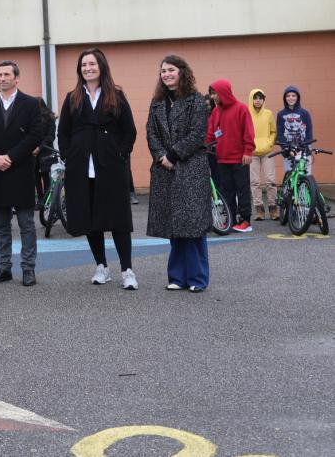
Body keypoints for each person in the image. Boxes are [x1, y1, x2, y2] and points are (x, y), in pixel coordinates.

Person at [58, 48, 138, 290]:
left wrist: (119, 153)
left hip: (110, 167)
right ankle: (101, 266)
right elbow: (63, 132)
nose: (88, 68)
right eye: (83, 65)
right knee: (90, 220)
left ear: (101, 66)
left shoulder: (116, 95)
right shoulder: (73, 97)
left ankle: (127, 270)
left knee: (118, 220)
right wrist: (69, 156)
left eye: (92, 64)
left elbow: (129, 131)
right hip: (82, 168)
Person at [146, 55, 212, 293]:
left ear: (182, 72)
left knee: (193, 227)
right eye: (163, 71)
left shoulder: (196, 101)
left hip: (190, 170)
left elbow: (197, 134)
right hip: (165, 171)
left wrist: (173, 155)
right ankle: (177, 277)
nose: (166, 74)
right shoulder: (157, 103)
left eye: (171, 70)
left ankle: (197, 278)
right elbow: (150, 133)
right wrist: (162, 156)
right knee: (175, 227)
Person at [0, 60, 42, 287]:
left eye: (6, 74)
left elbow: (35, 135)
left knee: (26, 224)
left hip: (21, 170)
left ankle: (28, 269)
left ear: (17, 78)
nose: (2, 78)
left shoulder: (31, 104)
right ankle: (4, 268)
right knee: (1, 226)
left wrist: (11, 157)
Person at [205, 80, 255, 233]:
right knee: (227, 190)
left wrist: (248, 151)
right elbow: (210, 133)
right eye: (212, 93)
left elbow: (248, 132)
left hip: (240, 158)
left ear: (223, 93)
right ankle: (231, 218)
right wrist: (204, 146)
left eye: (215, 93)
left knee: (242, 189)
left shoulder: (241, 109)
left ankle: (245, 220)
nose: (213, 97)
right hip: (222, 158)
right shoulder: (216, 112)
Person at [248, 88, 278, 221]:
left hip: (267, 152)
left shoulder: (268, 113)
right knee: (254, 182)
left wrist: (270, 143)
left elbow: (273, 131)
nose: (258, 100)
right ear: (251, 99)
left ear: (263, 100)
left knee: (270, 181)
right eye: (255, 97)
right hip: (252, 153)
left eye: (260, 98)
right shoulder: (247, 113)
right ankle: (259, 210)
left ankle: (273, 209)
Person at [276, 86, 314, 174]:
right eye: (288, 96)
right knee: (290, 175)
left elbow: (309, 131)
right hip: (288, 149)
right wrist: (286, 148)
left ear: (298, 97)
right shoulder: (281, 114)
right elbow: (280, 133)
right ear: (285, 98)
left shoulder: (305, 113)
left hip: (304, 148)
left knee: (305, 175)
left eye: (293, 95)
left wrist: (307, 146)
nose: (291, 98)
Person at [33, 97, 57, 209]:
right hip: (36, 152)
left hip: (45, 152)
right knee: (38, 176)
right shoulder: (34, 118)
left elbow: (50, 136)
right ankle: (42, 200)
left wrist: (39, 147)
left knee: (44, 176)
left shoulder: (49, 118)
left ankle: (45, 200)